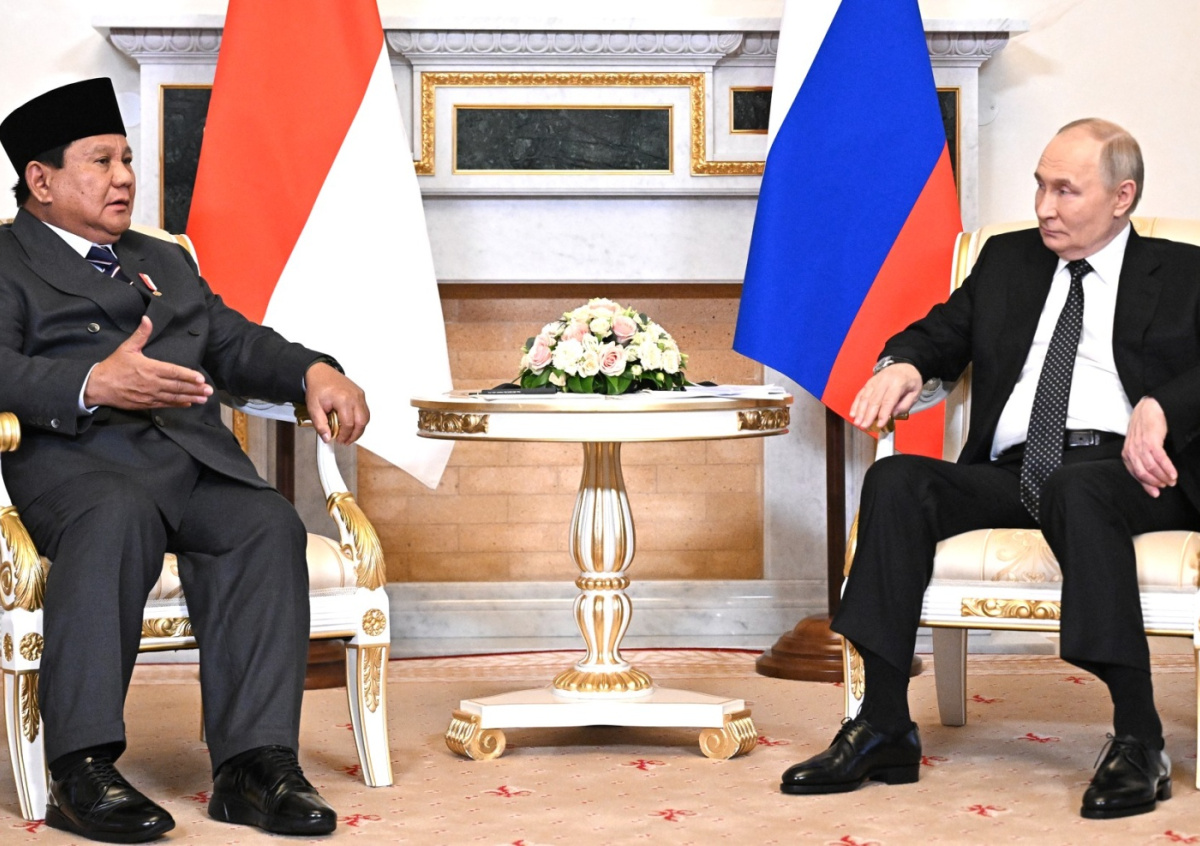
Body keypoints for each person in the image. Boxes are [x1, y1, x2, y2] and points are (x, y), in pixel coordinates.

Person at [779, 118, 1200, 820]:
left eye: (1066, 190)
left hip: (1130, 474)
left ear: (1121, 197)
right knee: (897, 481)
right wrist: (905, 364)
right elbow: (937, 333)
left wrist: (1163, 405)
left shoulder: (1183, 271)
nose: (1044, 207)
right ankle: (883, 725)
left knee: (1078, 488)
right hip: (1015, 471)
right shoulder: (1008, 260)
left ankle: (1138, 737)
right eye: (1040, 186)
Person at [0, 78, 369, 841]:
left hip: (187, 460)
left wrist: (313, 371)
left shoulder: (160, 258)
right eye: (100, 161)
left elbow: (234, 343)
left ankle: (254, 766)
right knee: (116, 515)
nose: (124, 177)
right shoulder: (5, 261)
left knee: (264, 522)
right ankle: (82, 767)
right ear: (40, 180)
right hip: (75, 466)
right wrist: (93, 382)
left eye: (127, 159)